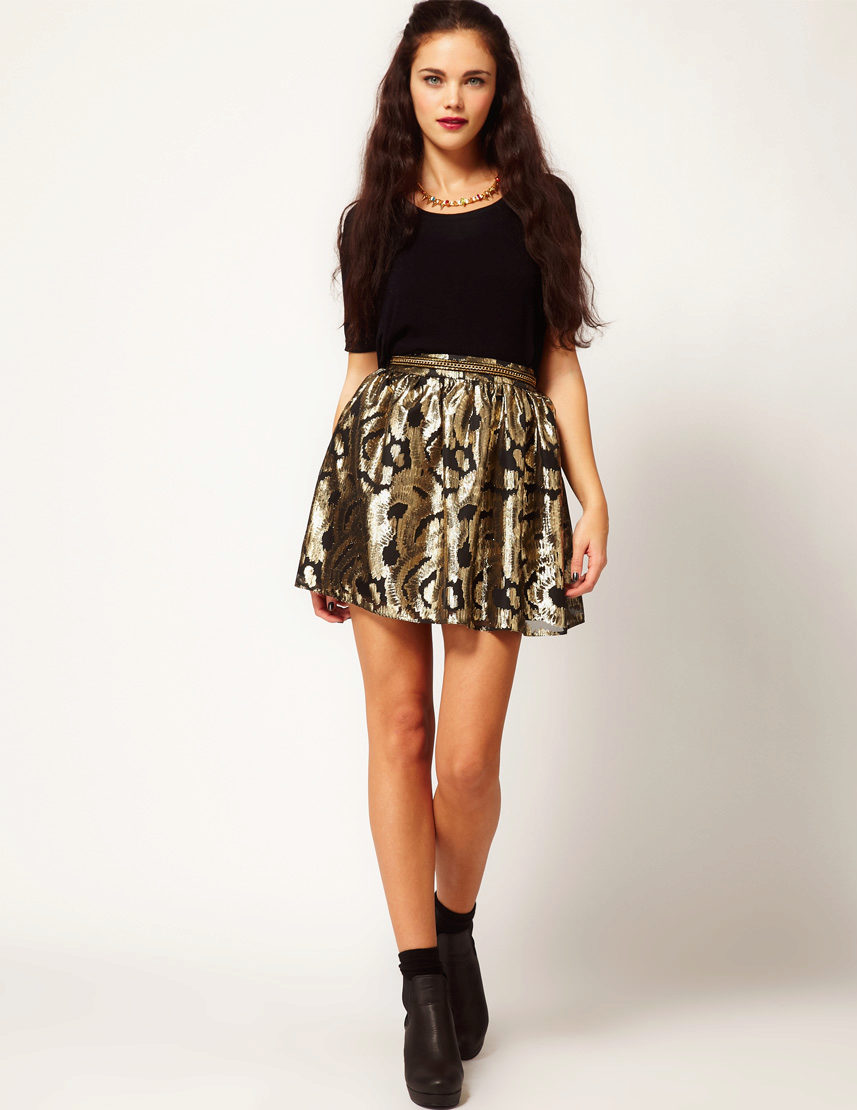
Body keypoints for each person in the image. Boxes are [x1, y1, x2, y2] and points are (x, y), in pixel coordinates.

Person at [294, 2, 609, 1105]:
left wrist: (591, 495)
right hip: (385, 484)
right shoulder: (370, 221)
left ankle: (456, 920)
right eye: (434, 78)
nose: (453, 99)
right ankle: (421, 985)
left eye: (473, 79)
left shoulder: (540, 208)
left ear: (499, 90)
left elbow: (557, 363)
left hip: (502, 493)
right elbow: (360, 377)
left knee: (468, 765)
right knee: (402, 731)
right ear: (407, 88)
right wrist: (331, 527)